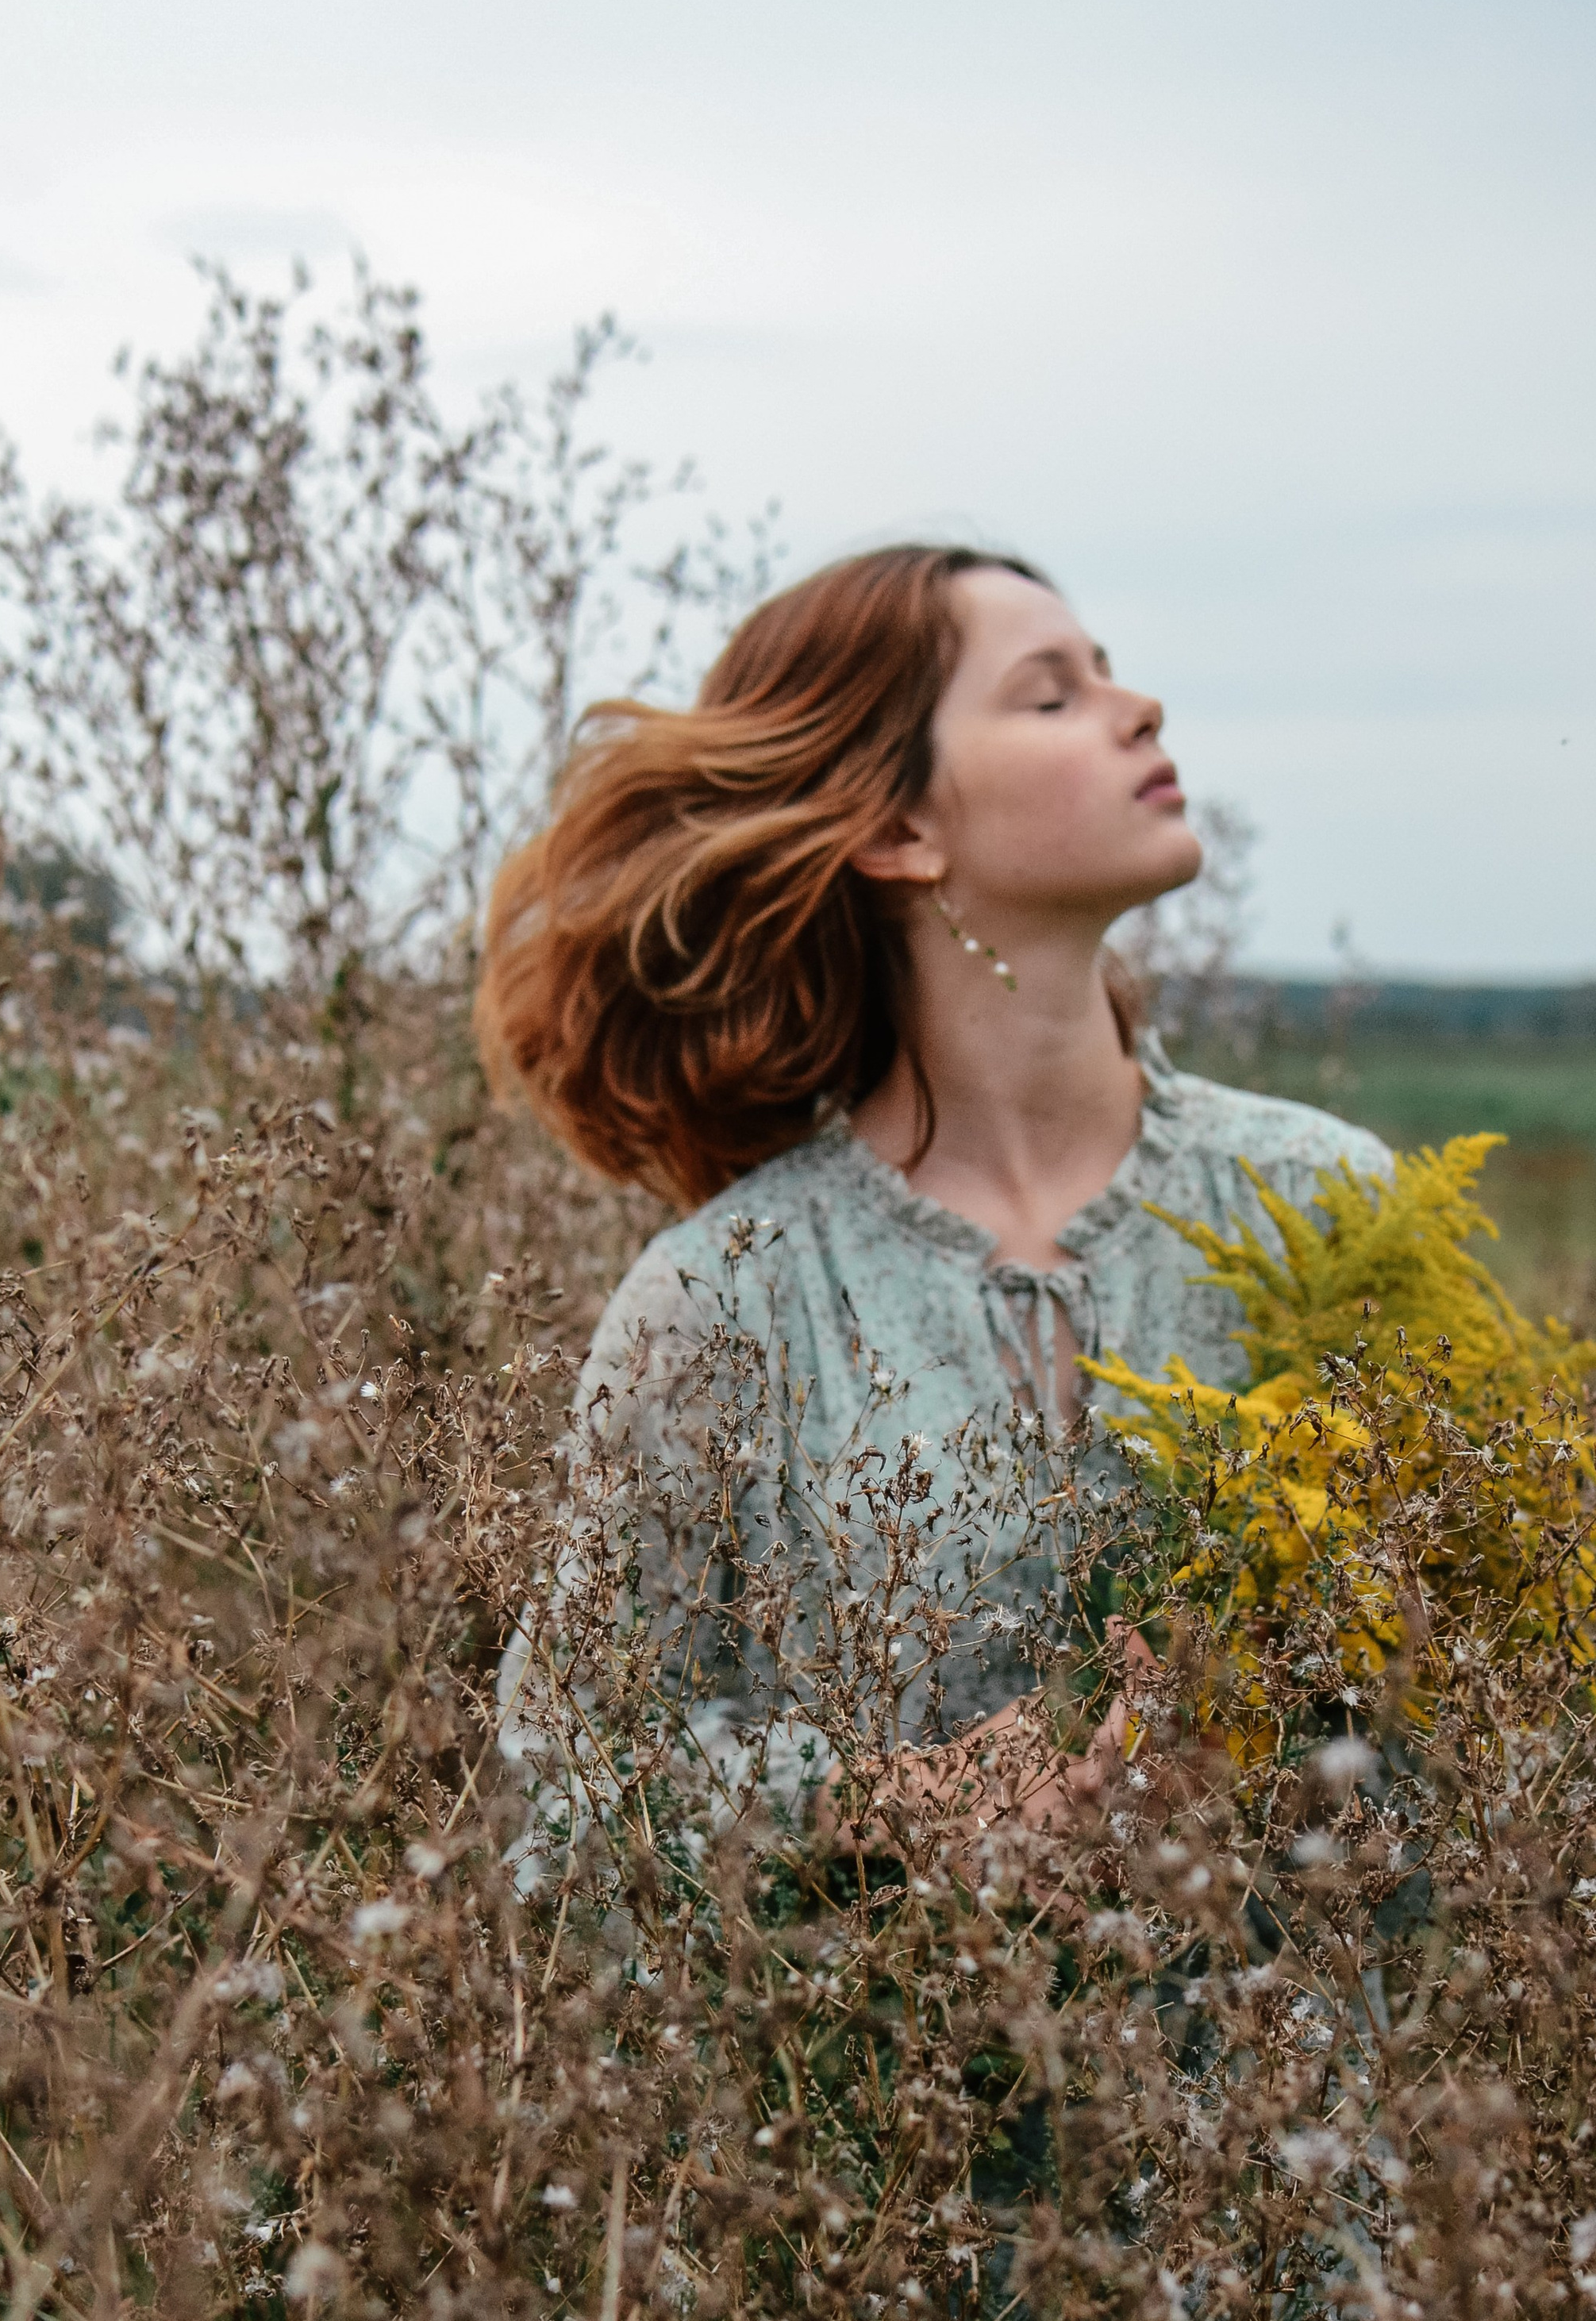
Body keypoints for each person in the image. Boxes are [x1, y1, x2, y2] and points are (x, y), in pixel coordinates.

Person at [476, 545, 1390, 1844]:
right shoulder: (728, 1295)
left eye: (1112, 675)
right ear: (899, 829)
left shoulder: (1326, 1202)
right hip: (900, 2044)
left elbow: (1488, 1743)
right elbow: (570, 1770)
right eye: (1051, 694)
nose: (1142, 710)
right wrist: (899, 1806)